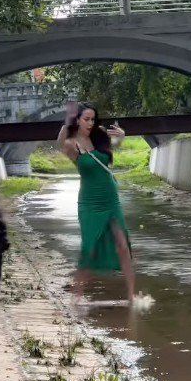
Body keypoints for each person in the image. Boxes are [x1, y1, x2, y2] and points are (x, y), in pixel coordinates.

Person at [57, 101, 135, 304]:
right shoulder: (71, 144)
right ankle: (77, 296)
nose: (90, 123)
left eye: (93, 119)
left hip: (111, 199)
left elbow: (112, 149)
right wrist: (67, 122)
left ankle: (132, 296)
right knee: (89, 248)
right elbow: (59, 144)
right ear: (78, 120)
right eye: (86, 119)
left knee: (122, 243)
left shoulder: (99, 134)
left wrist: (122, 137)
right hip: (89, 202)